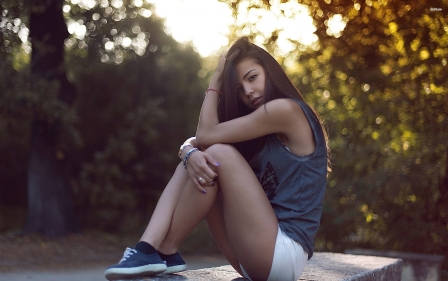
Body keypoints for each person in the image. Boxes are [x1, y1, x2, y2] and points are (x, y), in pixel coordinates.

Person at [104, 37, 331, 281]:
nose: (248, 92)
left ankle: (166, 248)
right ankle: (148, 248)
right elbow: (199, 142)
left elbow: (205, 136)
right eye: (238, 89)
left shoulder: (287, 110)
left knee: (216, 155)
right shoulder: (259, 131)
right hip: (253, 255)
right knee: (198, 159)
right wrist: (188, 152)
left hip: (283, 255)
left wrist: (216, 81)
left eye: (252, 78)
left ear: (270, 71)